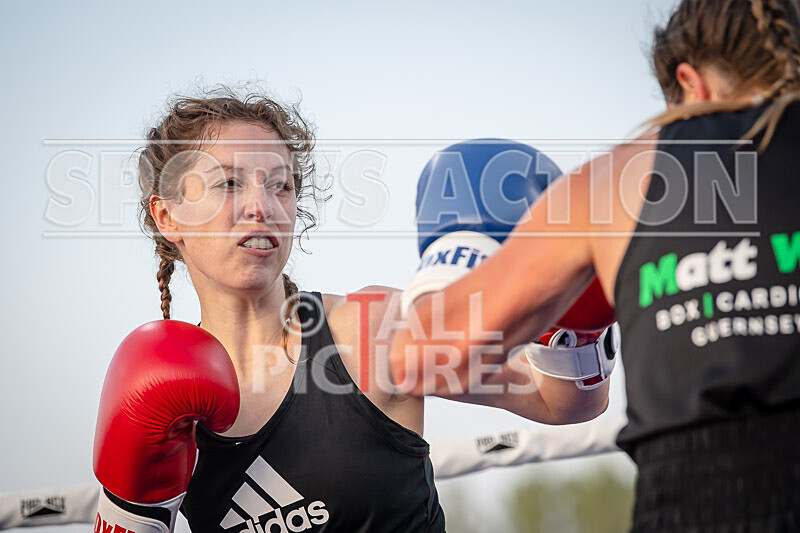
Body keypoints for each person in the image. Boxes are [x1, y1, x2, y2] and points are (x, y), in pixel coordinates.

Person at [91, 91, 614, 533]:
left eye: (280, 184)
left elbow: (562, 402)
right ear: (167, 216)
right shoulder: (159, 396)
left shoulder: (365, 330)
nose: (261, 206)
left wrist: (569, 306)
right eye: (229, 183)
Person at [392, 0, 800, 530]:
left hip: (702, 499)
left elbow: (421, 357)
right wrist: (575, 340)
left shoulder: (617, 181)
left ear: (690, 84)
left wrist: (457, 259)